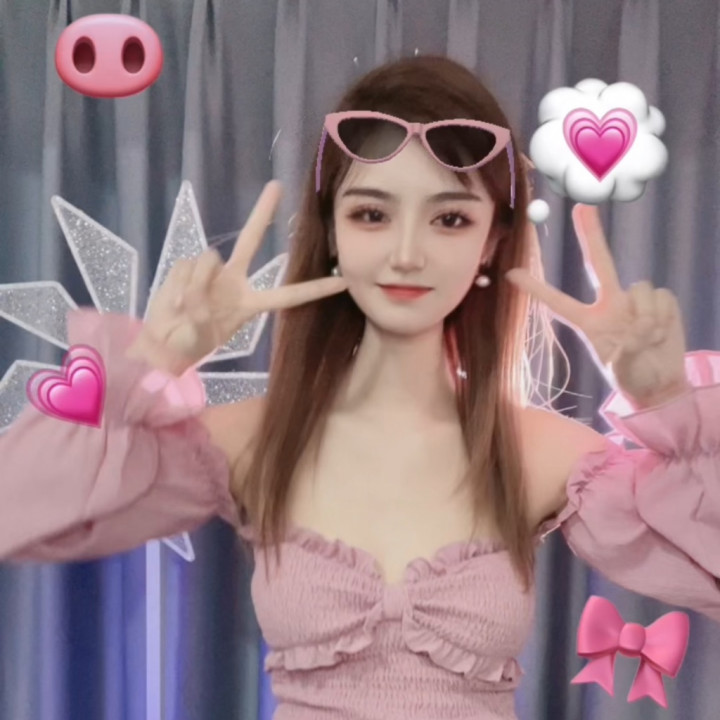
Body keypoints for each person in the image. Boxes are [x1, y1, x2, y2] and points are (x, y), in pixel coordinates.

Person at [1, 54, 719, 720]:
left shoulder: (544, 454)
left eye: (450, 218)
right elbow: (18, 509)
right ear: (332, 231)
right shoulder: (250, 441)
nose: (406, 253)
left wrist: (667, 403)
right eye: (372, 214)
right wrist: (154, 357)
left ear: (493, 241)